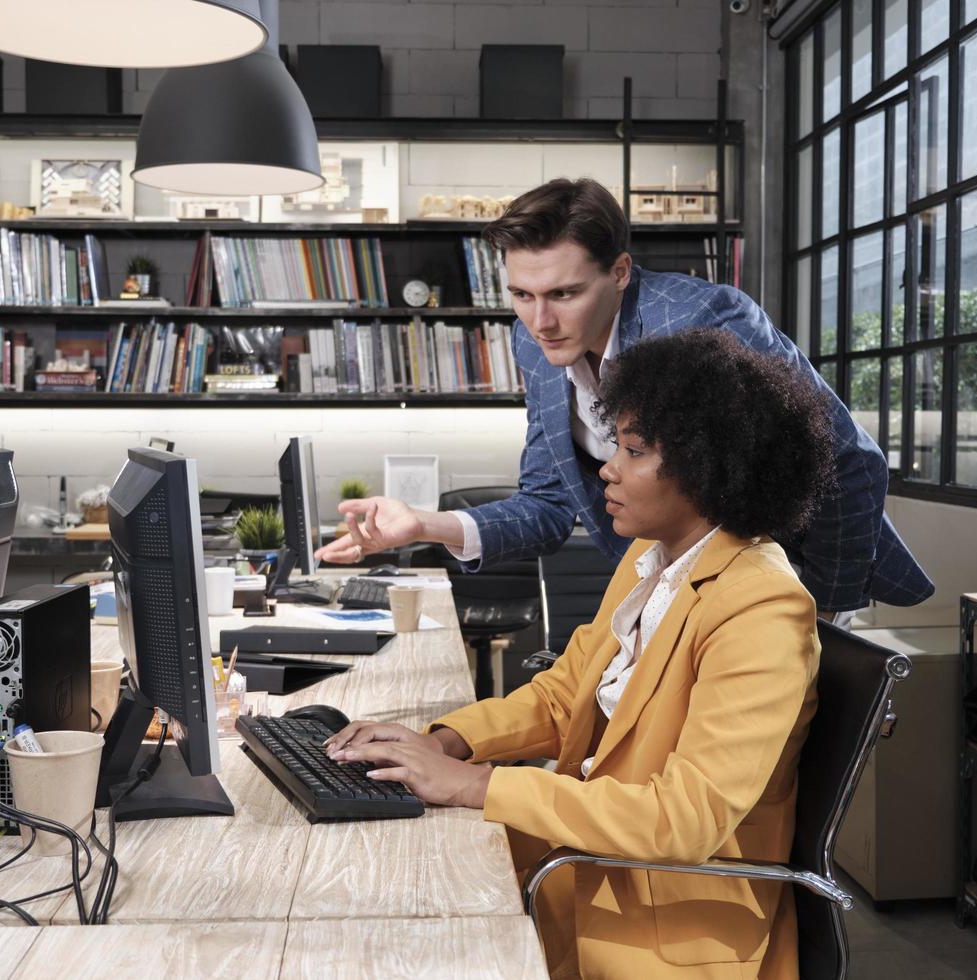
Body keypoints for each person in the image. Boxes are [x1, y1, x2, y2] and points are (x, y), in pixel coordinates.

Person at [326, 330, 836, 978]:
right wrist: (446, 742)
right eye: (615, 444)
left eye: (634, 450)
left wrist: (475, 784)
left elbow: (684, 821)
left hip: (665, 925)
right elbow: (565, 694)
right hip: (587, 865)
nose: (608, 467)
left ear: (711, 464)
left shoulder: (761, 610)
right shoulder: (651, 559)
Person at [314, 177, 931, 618]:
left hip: (781, 581)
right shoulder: (534, 346)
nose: (540, 319)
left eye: (563, 293)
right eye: (522, 295)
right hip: (669, 590)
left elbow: (847, 462)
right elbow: (550, 506)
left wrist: (823, 614)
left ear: (619, 272)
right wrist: (425, 524)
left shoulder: (704, 323)